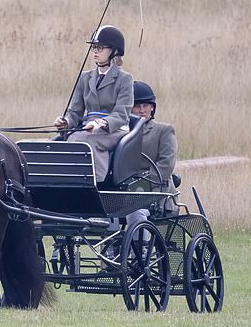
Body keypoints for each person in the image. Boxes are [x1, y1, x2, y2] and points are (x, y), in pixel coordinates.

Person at [53, 25, 133, 182]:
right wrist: (66, 122)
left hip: (114, 130)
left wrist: (102, 123)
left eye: (100, 48)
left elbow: (121, 114)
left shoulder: (125, 79)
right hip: (88, 128)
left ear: (114, 51)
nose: (95, 51)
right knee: (67, 139)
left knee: (85, 140)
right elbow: (75, 112)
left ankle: (94, 181)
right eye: (94, 47)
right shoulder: (85, 77)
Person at [126, 80, 178, 226]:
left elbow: (166, 165)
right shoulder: (119, 133)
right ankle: (109, 248)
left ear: (152, 108)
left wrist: (138, 183)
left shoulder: (163, 131)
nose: (142, 110)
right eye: (137, 106)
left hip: (155, 193)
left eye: (146, 106)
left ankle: (139, 248)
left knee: (135, 213)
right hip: (123, 194)